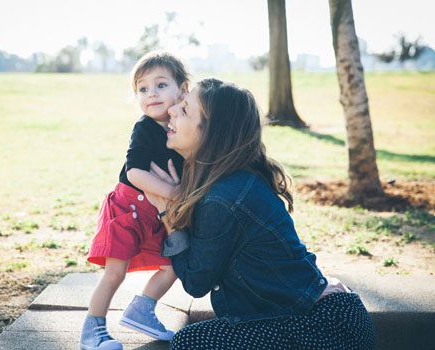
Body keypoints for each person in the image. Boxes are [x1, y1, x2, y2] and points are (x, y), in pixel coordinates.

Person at [144, 78, 376, 350]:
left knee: (190, 342)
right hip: (320, 316)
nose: (171, 110)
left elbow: (196, 282)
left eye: (184, 110)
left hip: (325, 328)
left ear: (211, 133)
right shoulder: (230, 180)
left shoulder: (222, 198)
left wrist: (168, 216)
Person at [79, 52, 189, 350]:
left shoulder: (183, 128)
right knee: (115, 272)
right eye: (142, 88)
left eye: (161, 85)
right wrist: (177, 194)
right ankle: (93, 332)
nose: (151, 93)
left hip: (155, 215)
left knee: (173, 266)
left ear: (183, 89)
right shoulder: (145, 128)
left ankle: (142, 309)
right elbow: (136, 172)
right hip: (127, 209)